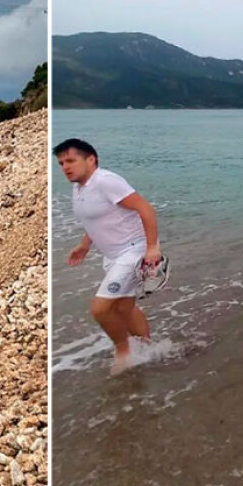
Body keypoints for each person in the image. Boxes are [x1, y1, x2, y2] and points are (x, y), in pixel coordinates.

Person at [55, 138, 163, 375]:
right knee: (124, 308)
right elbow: (96, 219)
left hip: (133, 250)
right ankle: (149, 350)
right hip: (113, 255)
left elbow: (145, 208)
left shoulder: (106, 181)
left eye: (71, 160)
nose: (65, 167)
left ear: (91, 159)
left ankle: (123, 352)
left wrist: (152, 247)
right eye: (61, 163)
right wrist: (84, 244)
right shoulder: (79, 187)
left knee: (101, 309)